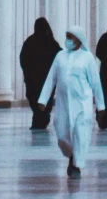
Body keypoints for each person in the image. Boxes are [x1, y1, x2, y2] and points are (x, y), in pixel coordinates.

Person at [37, 27, 100, 179]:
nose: (68, 40)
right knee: (62, 134)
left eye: (71, 37)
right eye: (67, 36)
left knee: (80, 133)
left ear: (79, 39)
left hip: (81, 104)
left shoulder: (87, 58)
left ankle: (76, 166)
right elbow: (51, 78)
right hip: (63, 104)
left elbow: (96, 84)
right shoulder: (60, 56)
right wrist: (43, 99)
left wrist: (101, 105)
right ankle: (71, 154)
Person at [19, 17, 61, 131]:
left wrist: (28, 73)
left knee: (35, 99)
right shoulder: (51, 42)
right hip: (46, 78)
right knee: (44, 100)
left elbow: (23, 59)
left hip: (34, 79)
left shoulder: (30, 42)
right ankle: (42, 118)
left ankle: (39, 119)